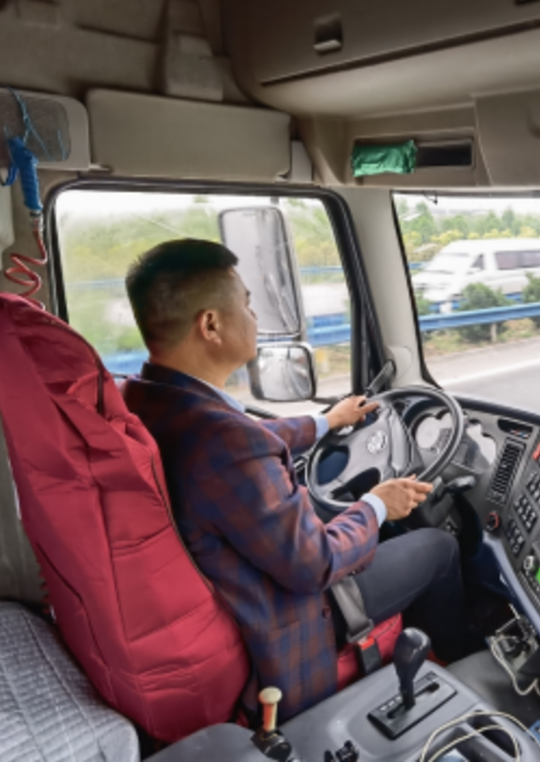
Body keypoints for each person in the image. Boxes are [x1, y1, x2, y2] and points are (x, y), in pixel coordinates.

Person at [121, 239, 469, 719]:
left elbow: (245, 441)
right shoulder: (224, 441)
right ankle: (466, 669)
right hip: (292, 619)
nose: (254, 318)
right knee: (439, 547)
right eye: (247, 304)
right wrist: (376, 505)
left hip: (240, 586)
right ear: (211, 325)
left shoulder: (149, 399)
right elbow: (316, 564)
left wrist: (327, 422)